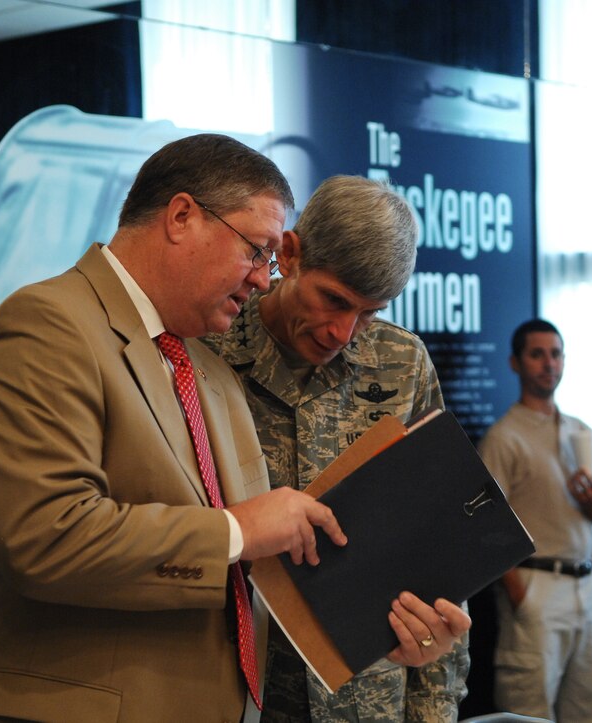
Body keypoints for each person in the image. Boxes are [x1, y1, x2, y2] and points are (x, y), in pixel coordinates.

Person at [0, 135, 459, 722]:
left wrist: (391, 626)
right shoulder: (45, 326)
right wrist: (234, 531)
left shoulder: (199, 365)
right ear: (181, 217)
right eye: (256, 251)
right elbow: (47, 540)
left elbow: (268, 566)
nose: (261, 278)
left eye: (370, 313)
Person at [205, 175, 472, 722]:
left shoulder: (402, 363)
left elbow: (436, 543)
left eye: (370, 313)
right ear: (291, 253)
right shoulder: (207, 350)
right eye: (334, 300)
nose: (343, 333)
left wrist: (434, 710)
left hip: (368, 696)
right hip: (235, 690)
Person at [477, 318, 592, 722]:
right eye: (537, 354)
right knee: (530, 711)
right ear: (516, 363)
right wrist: (521, 594)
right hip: (538, 585)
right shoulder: (504, 436)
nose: (549, 363)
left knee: (588, 707)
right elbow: (485, 523)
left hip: (586, 587)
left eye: (556, 354)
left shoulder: (582, 431)